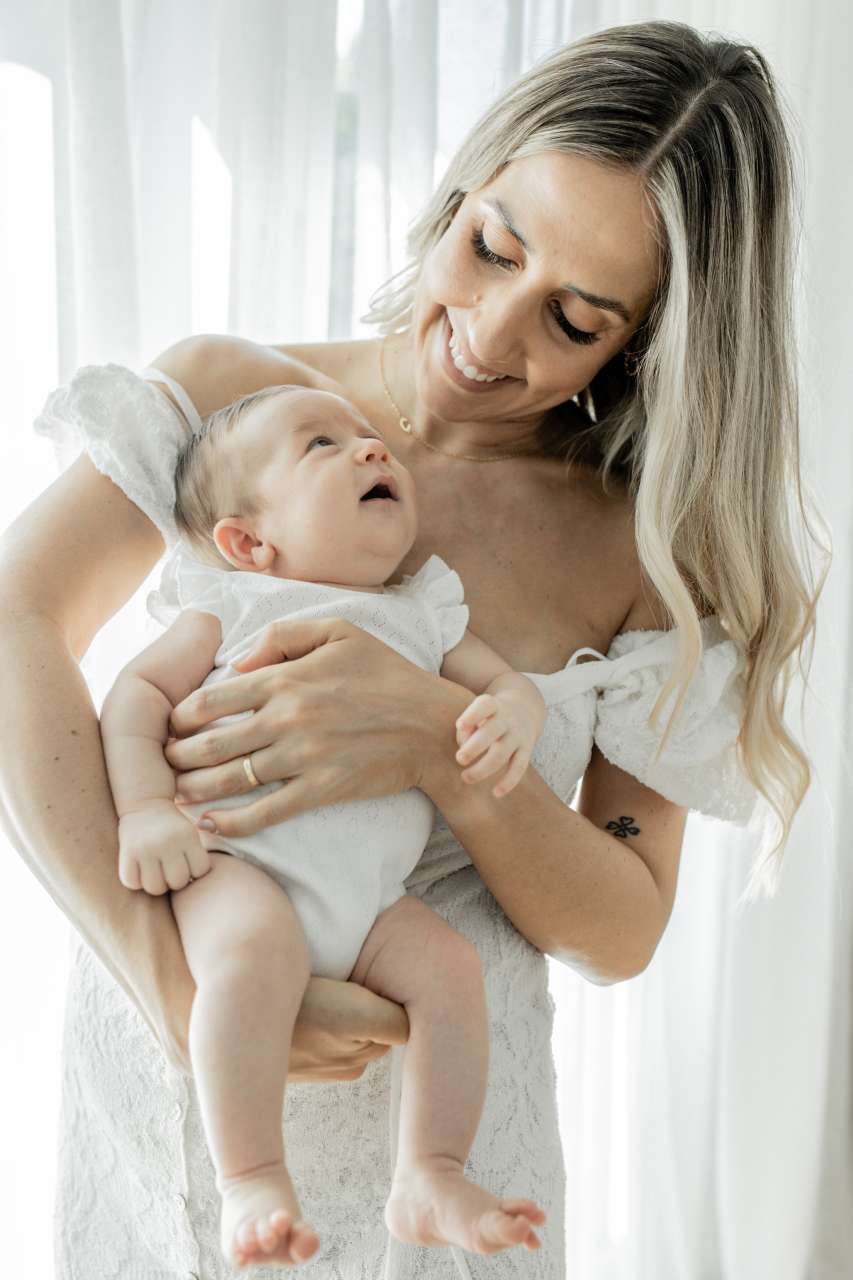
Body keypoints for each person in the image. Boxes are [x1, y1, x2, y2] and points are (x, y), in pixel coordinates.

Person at [0, 19, 822, 1280]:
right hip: (177, 1100)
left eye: (573, 319)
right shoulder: (231, 405)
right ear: (463, 184)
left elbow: (620, 924)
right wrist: (170, 982)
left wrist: (439, 745)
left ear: (647, 340)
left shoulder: (641, 548)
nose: (489, 336)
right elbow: (16, 625)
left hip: (451, 1147)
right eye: (491, 247)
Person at [99, 380, 549, 1268]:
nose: (370, 449)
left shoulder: (423, 610)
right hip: (239, 865)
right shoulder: (235, 602)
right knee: (252, 950)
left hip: (371, 903)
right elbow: (136, 693)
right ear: (249, 542)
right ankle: (251, 1178)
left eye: (368, 436)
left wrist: (515, 714)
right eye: (321, 445)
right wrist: (145, 809)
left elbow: (505, 685)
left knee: (450, 971)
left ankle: (429, 1173)